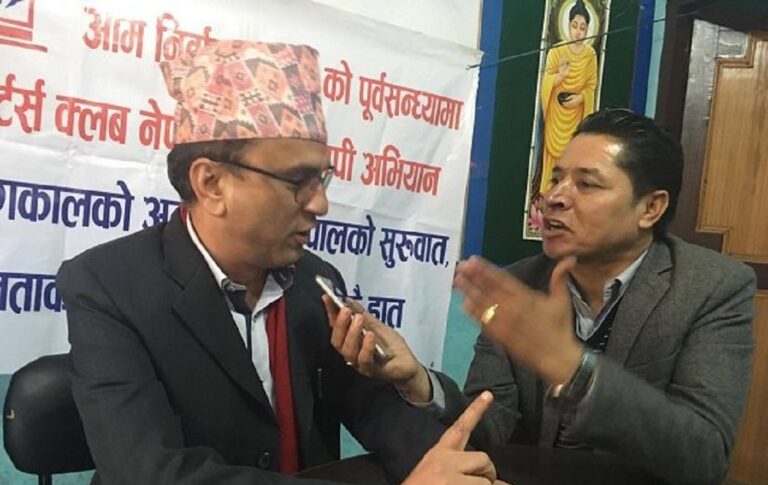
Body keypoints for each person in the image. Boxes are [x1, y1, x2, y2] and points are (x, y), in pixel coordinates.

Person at [57, 38, 482, 485]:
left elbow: (374, 409)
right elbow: (147, 473)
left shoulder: (316, 281)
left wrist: (443, 443)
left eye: (321, 180)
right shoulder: (109, 286)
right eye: (297, 180)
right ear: (212, 184)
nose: (320, 204)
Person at [330, 108, 756, 485]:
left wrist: (572, 369)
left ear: (650, 208)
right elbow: (490, 430)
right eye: (556, 179)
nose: (554, 198)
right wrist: (418, 381)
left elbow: (704, 457)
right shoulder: (521, 284)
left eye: (586, 184)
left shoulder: (711, 287)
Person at [538, 0, 597, 195]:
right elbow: (546, 82)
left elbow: (591, 86)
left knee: (573, 155)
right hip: (556, 114)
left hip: (576, 114)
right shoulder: (556, 51)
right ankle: (547, 194)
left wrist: (581, 98)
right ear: (568, 26)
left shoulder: (590, 55)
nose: (578, 32)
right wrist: (560, 76)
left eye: (582, 27)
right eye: (574, 26)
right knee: (552, 156)